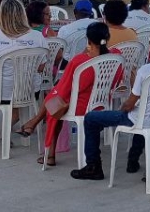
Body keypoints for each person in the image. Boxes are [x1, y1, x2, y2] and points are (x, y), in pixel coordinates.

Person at [71, 24, 150, 180]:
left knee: (91, 118)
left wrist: (123, 108)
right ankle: (132, 160)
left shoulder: (145, 70)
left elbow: (129, 104)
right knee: (142, 114)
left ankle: (93, 166)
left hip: (143, 118)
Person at [19, 22, 121, 166]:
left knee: (55, 101)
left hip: (81, 106)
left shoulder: (80, 61)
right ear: (107, 38)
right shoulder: (116, 56)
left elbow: (64, 89)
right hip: (102, 103)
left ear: (89, 40)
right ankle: (34, 123)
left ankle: (49, 153)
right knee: (57, 98)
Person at [0, 0, 49, 146]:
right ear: (23, 15)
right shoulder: (37, 36)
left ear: (0, 15)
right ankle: (6, 129)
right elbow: (41, 67)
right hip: (27, 91)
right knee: (12, 89)